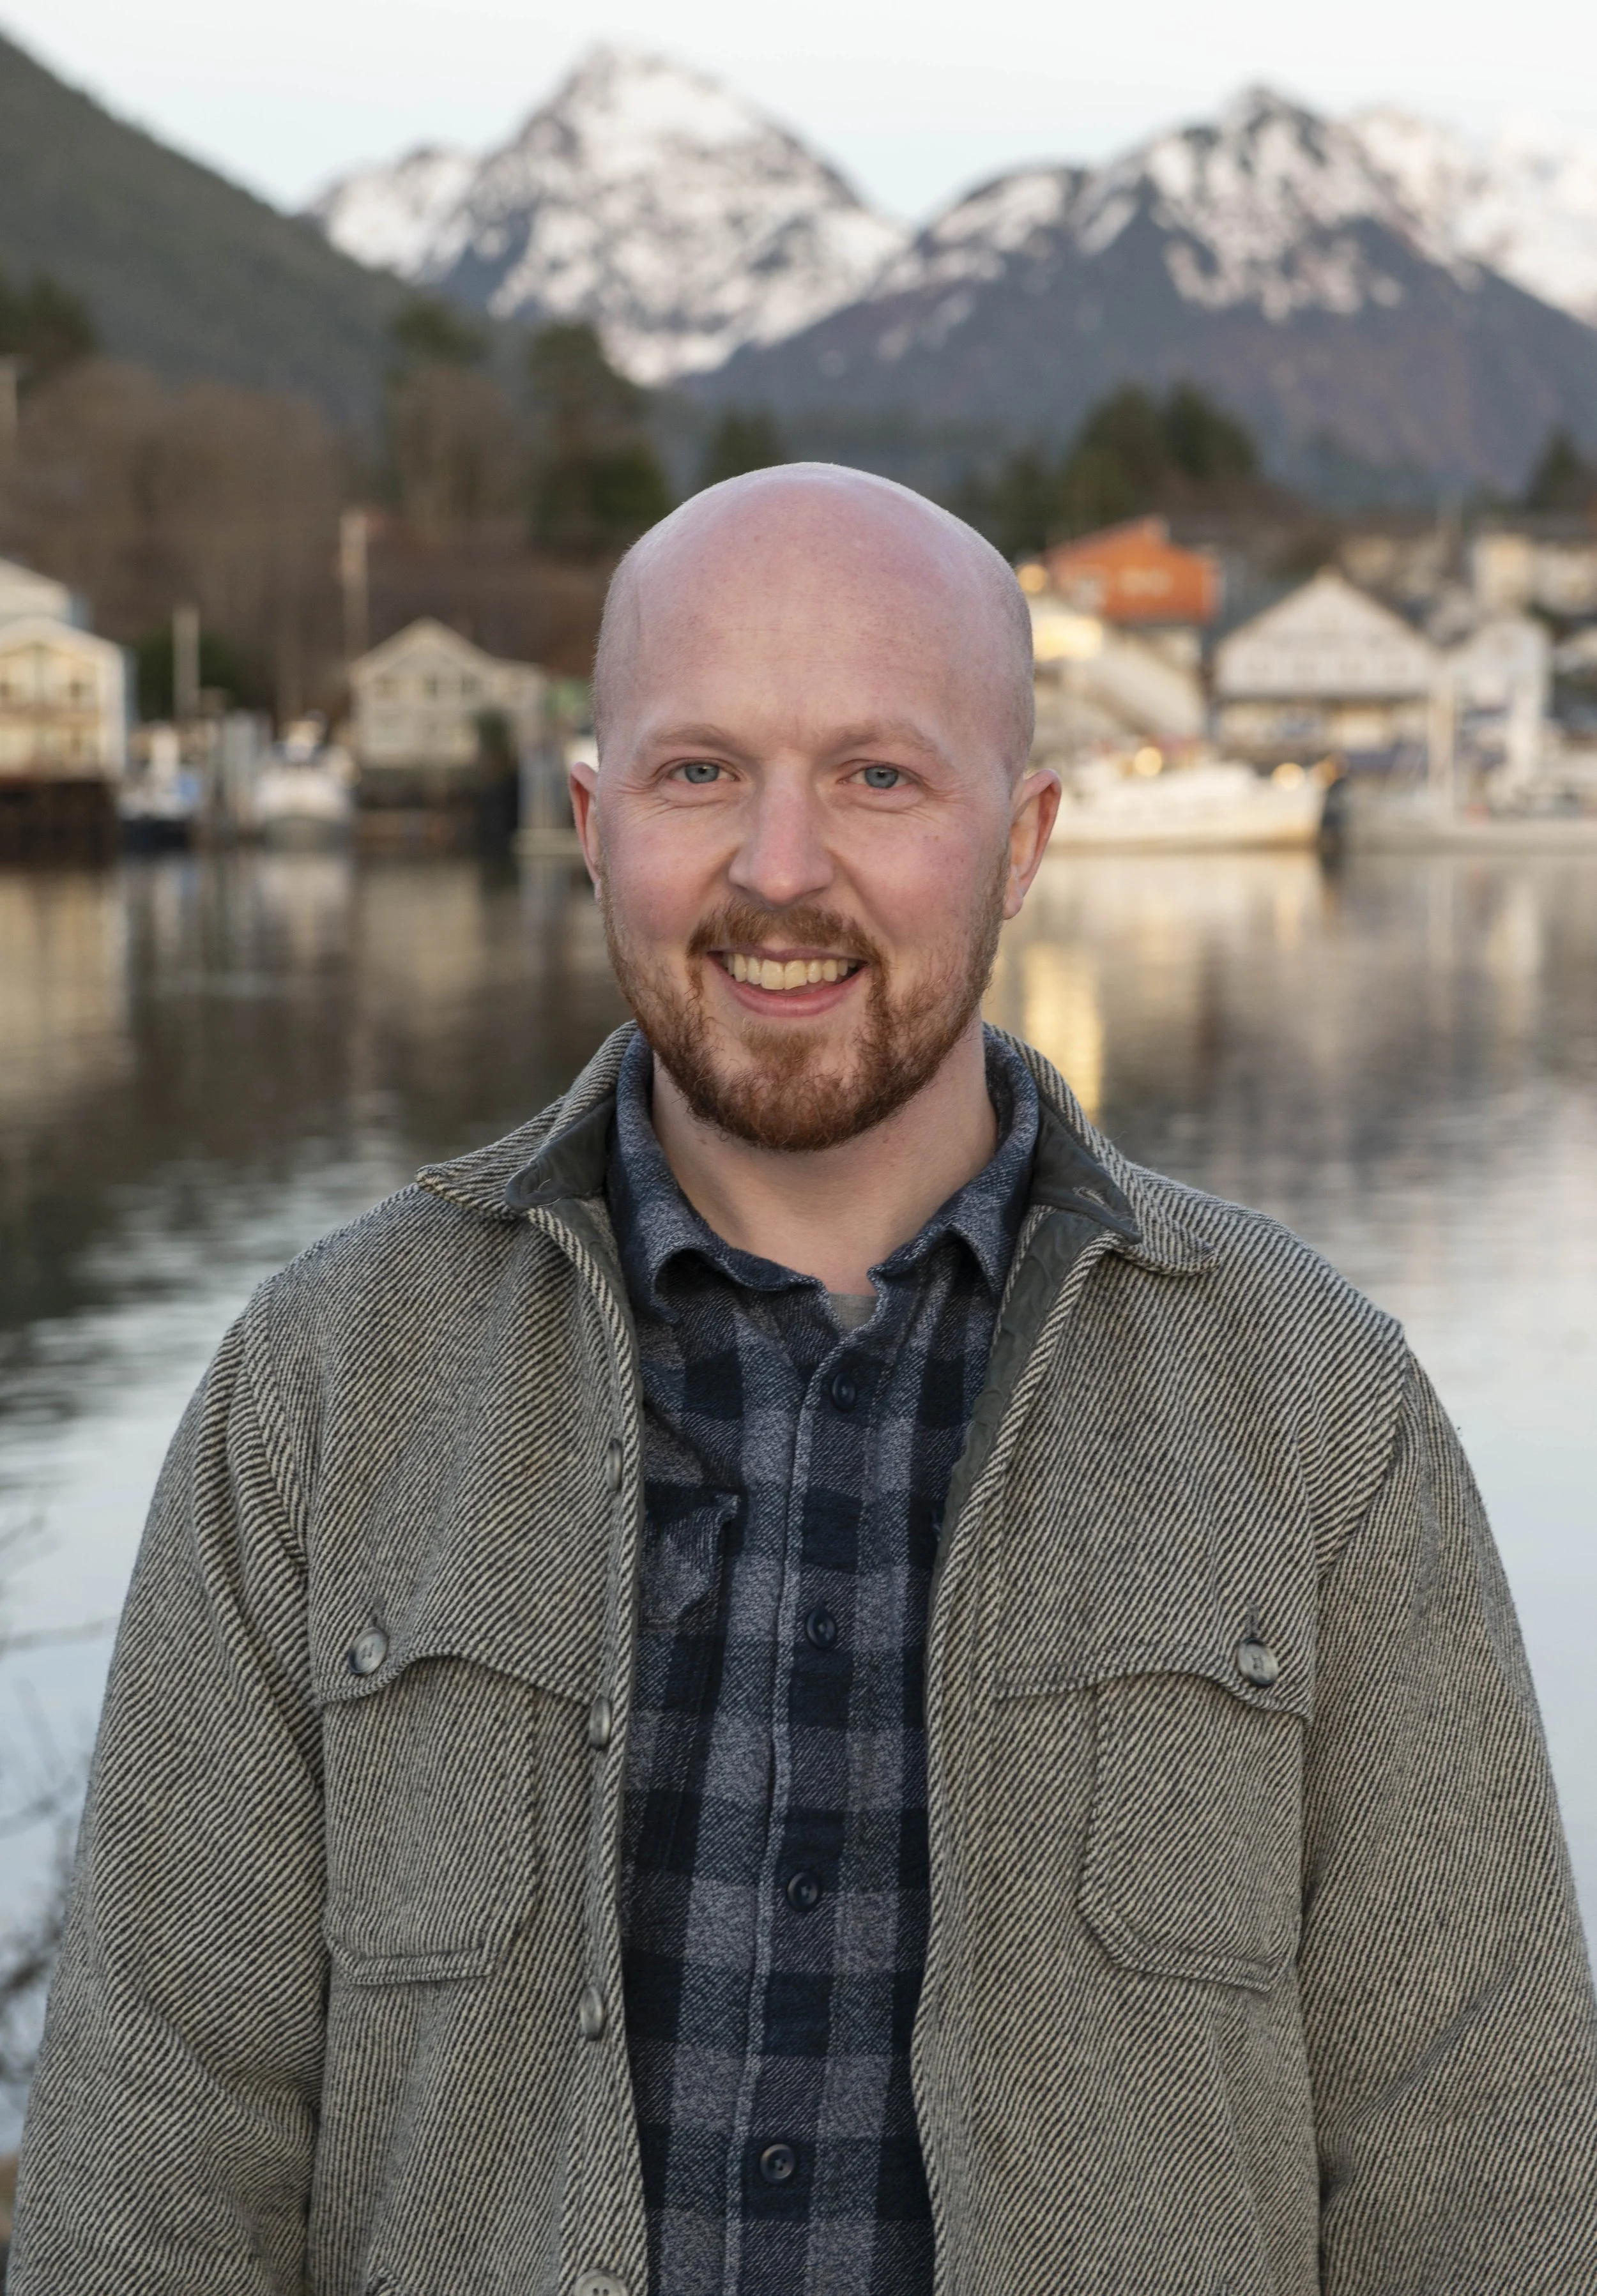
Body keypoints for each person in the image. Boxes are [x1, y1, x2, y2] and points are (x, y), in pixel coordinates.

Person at [11, 467, 1596, 2296]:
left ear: (1020, 839)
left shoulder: (1314, 1411)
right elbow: (155, 2178)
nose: (778, 868)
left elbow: (1481, 2183)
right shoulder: (319, 1392)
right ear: (594, 820)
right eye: (701, 773)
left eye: (877, 775)